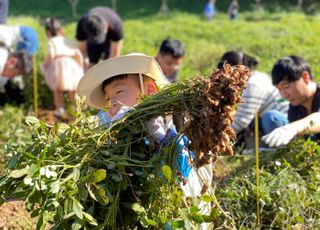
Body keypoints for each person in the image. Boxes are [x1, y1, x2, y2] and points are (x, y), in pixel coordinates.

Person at [77, 53, 213, 228]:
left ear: (149, 91)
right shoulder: (111, 123)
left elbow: (177, 164)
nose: (113, 104)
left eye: (119, 92)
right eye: (108, 99)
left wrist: (147, 128)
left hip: (178, 204)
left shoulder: (166, 119)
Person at [217, 51, 289, 151]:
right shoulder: (257, 77)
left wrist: (217, 137)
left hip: (282, 123)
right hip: (272, 119)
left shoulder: (253, 85)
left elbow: (241, 121)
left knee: (270, 118)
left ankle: (280, 150)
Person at [262, 55, 320, 147]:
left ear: (305, 77)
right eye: (279, 89)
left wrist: (293, 127)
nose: (284, 95)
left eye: (286, 87)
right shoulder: (295, 106)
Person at [41, 17, 83, 117]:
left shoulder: (52, 42)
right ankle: (79, 110)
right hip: (72, 64)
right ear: (60, 30)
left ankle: (60, 109)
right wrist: (80, 66)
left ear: (48, 33)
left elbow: (51, 55)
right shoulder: (67, 40)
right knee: (73, 91)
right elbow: (78, 54)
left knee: (57, 90)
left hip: (59, 65)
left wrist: (45, 65)